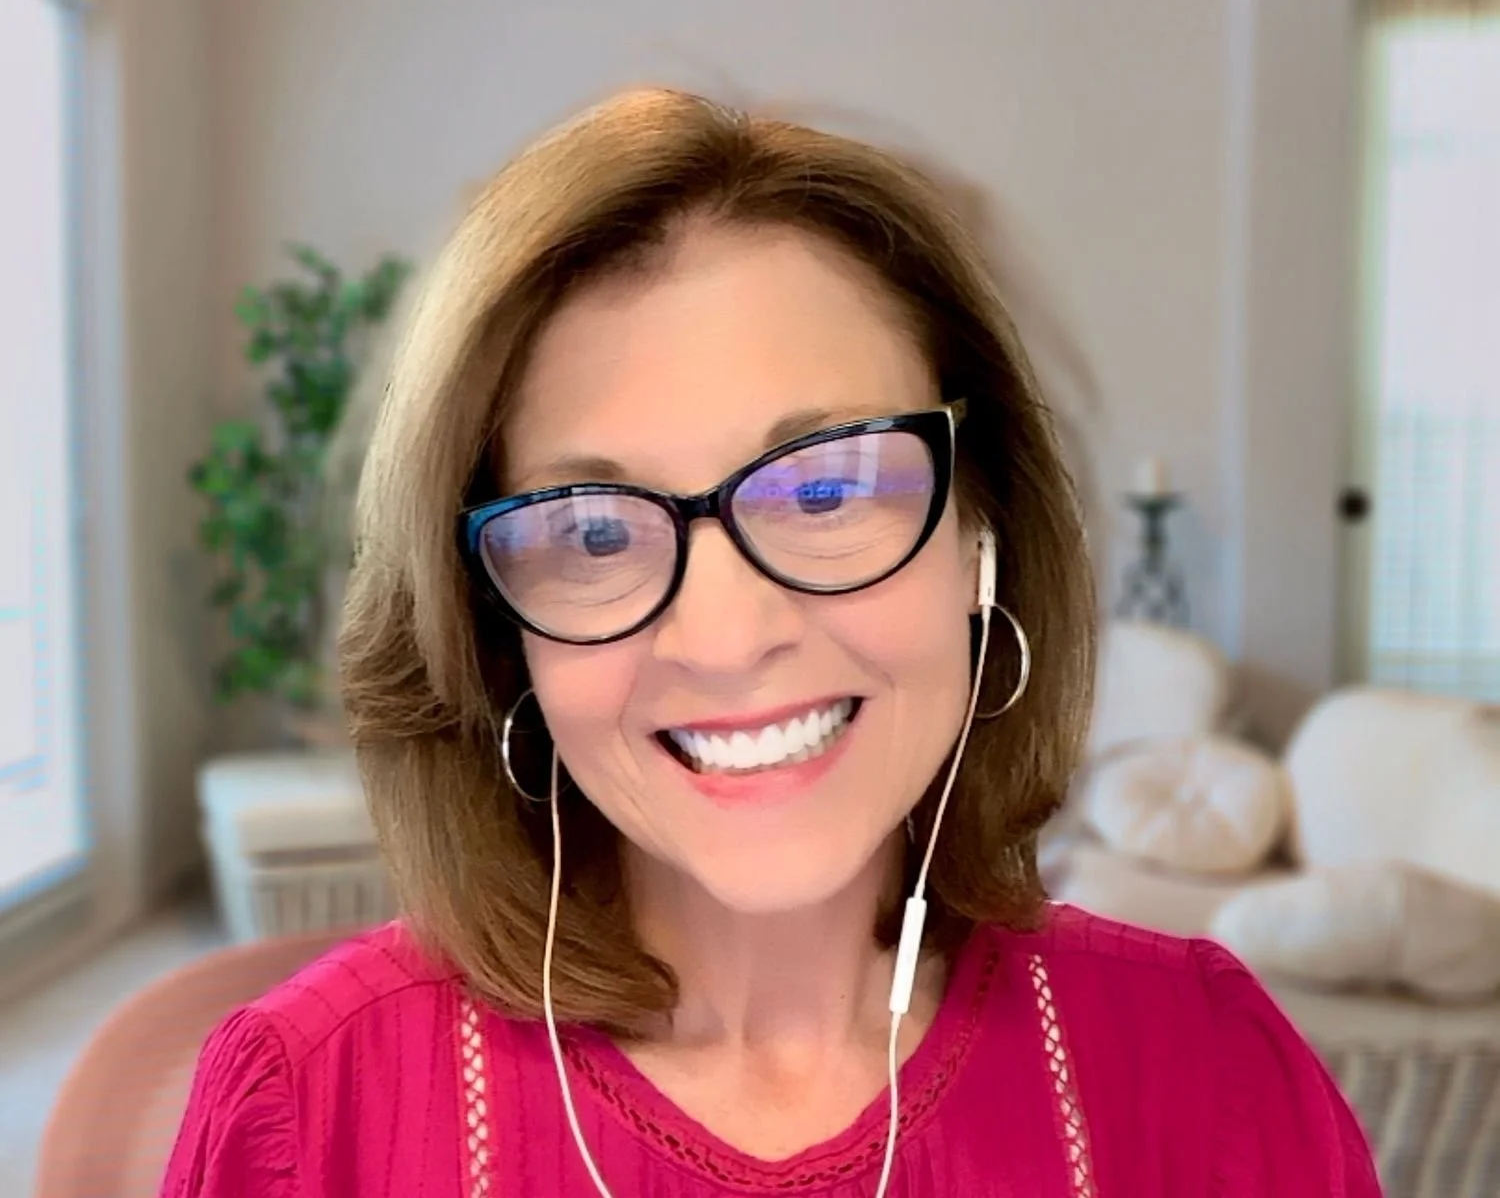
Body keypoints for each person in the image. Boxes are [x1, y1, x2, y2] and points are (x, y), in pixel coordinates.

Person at [162, 88, 1380, 1197]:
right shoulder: (311, 1112)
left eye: (825, 488)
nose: (726, 638)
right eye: (594, 532)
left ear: (982, 532)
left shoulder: (1216, 1074)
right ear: (495, 626)